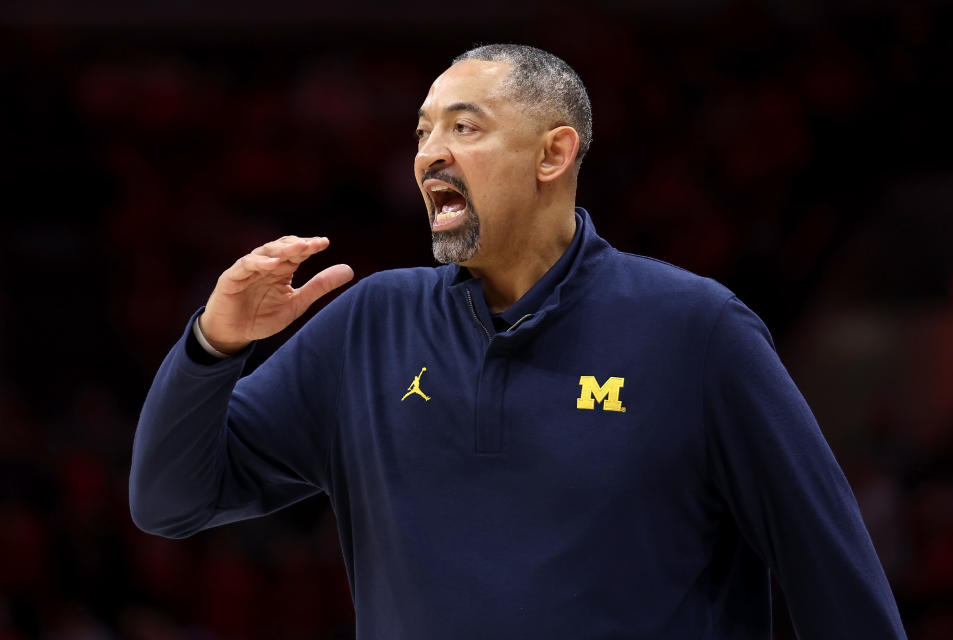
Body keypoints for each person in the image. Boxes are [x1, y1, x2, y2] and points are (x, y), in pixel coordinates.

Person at [129, 44, 907, 639]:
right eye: (424, 131)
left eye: (465, 127)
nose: (430, 151)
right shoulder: (369, 323)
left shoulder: (696, 331)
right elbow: (171, 501)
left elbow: (835, 583)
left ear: (553, 153)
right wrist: (213, 344)